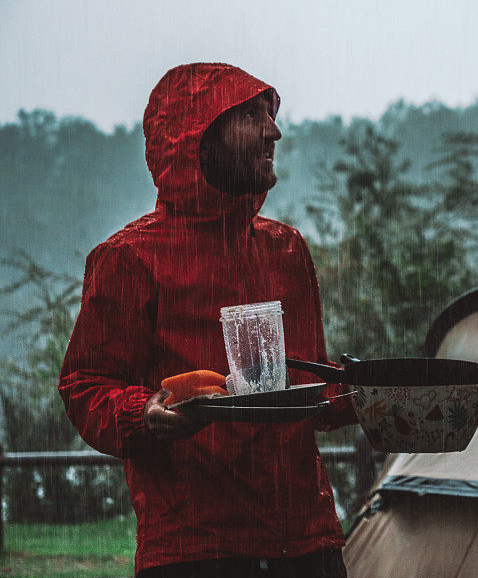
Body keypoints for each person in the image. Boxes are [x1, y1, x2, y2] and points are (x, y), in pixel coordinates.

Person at [59, 63, 356, 577]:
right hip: (195, 552)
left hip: (307, 545)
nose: (274, 131)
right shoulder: (129, 258)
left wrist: (375, 397)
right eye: (250, 115)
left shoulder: (286, 250)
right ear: (194, 138)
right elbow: (84, 386)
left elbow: (305, 387)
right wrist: (142, 411)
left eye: (270, 113)